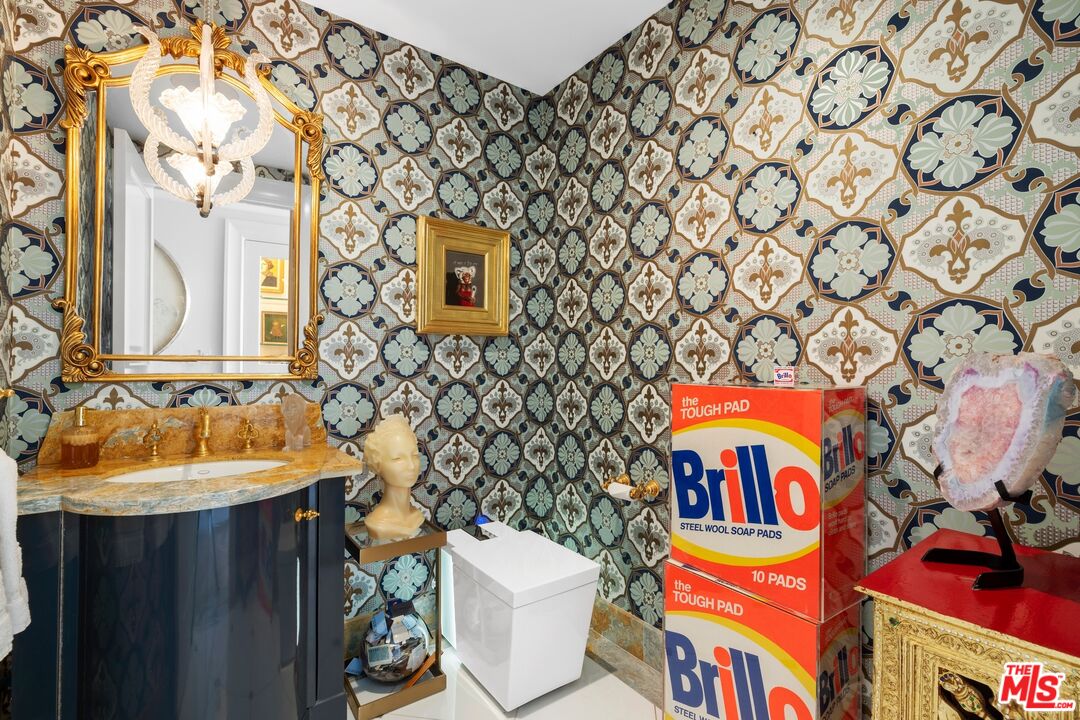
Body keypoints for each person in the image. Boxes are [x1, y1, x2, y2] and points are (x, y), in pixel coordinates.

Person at [363, 415, 424, 539]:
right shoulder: (379, 525)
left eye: (415, 455)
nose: (411, 466)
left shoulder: (417, 516)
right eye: (398, 459)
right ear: (378, 464)